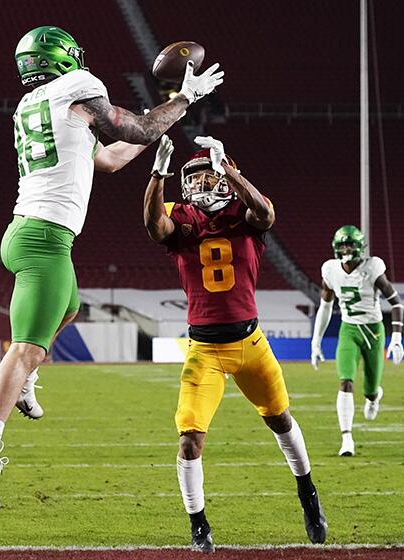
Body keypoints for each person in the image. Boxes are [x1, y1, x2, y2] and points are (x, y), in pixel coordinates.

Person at [0, 25, 224, 512]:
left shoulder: (32, 105)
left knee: (70, 308)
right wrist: (184, 98)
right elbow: (134, 128)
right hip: (44, 238)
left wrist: (152, 141)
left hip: (28, 231)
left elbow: (105, 158)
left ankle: (25, 381)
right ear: (62, 57)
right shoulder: (80, 85)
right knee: (24, 347)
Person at [143, 135, 327, 551]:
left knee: (280, 420)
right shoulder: (181, 215)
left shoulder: (244, 212)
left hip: (251, 344)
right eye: (193, 179)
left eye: (208, 176)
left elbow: (264, 212)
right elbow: (155, 226)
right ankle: (198, 524)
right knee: (189, 439)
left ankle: (308, 496)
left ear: (225, 176)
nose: (199, 185)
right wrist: (157, 174)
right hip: (203, 351)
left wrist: (231, 171)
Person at [310, 226, 404, 457]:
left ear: (360, 247)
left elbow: (397, 304)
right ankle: (347, 438)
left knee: (370, 390)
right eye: (342, 244)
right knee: (345, 381)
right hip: (349, 329)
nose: (346, 249)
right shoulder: (331, 270)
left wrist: (397, 338)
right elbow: (325, 306)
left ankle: (374, 397)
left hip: (373, 331)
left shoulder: (372, 268)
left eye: (350, 244)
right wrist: (316, 341)